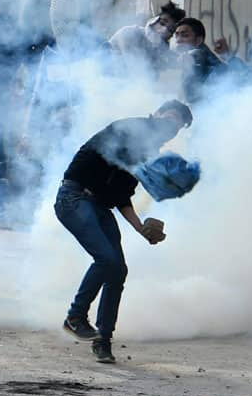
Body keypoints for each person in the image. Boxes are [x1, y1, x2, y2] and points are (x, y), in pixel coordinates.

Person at [56, 100, 192, 363]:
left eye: (178, 126)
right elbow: (122, 152)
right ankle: (75, 317)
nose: (172, 126)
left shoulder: (148, 154)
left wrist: (142, 229)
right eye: (171, 118)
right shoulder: (130, 128)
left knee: (118, 268)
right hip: (73, 198)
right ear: (157, 113)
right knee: (106, 259)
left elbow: (121, 197)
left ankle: (103, 340)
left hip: (98, 206)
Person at [109, 1, 186, 70]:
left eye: (170, 29)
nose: (163, 29)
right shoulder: (131, 33)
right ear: (154, 21)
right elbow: (135, 67)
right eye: (162, 23)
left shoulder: (161, 51)